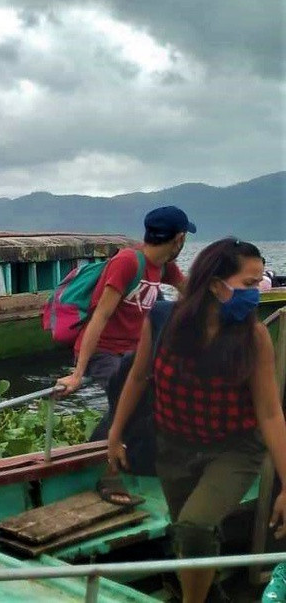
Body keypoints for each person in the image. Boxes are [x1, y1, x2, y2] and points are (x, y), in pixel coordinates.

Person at [107, 238, 286, 603]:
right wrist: (115, 432)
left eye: (258, 284)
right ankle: (212, 594)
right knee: (188, 537)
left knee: (194, 526)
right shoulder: (162, 321)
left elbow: (269, 413)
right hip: (174, 446)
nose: (255, 294)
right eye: (248, 284)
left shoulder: (253, 337)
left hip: (234, 450)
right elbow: (138, 377)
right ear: (216, 285)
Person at [57, 205, 191, 505]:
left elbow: (191, 292)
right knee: (128, 401)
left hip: (133, 351)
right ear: (179, 239)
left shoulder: (165, 267)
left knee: (155, 394)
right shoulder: (128, 262)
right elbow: (100, 316)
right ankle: (104, 470)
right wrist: (78, 374)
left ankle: (128, 456)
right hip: (103, 351)